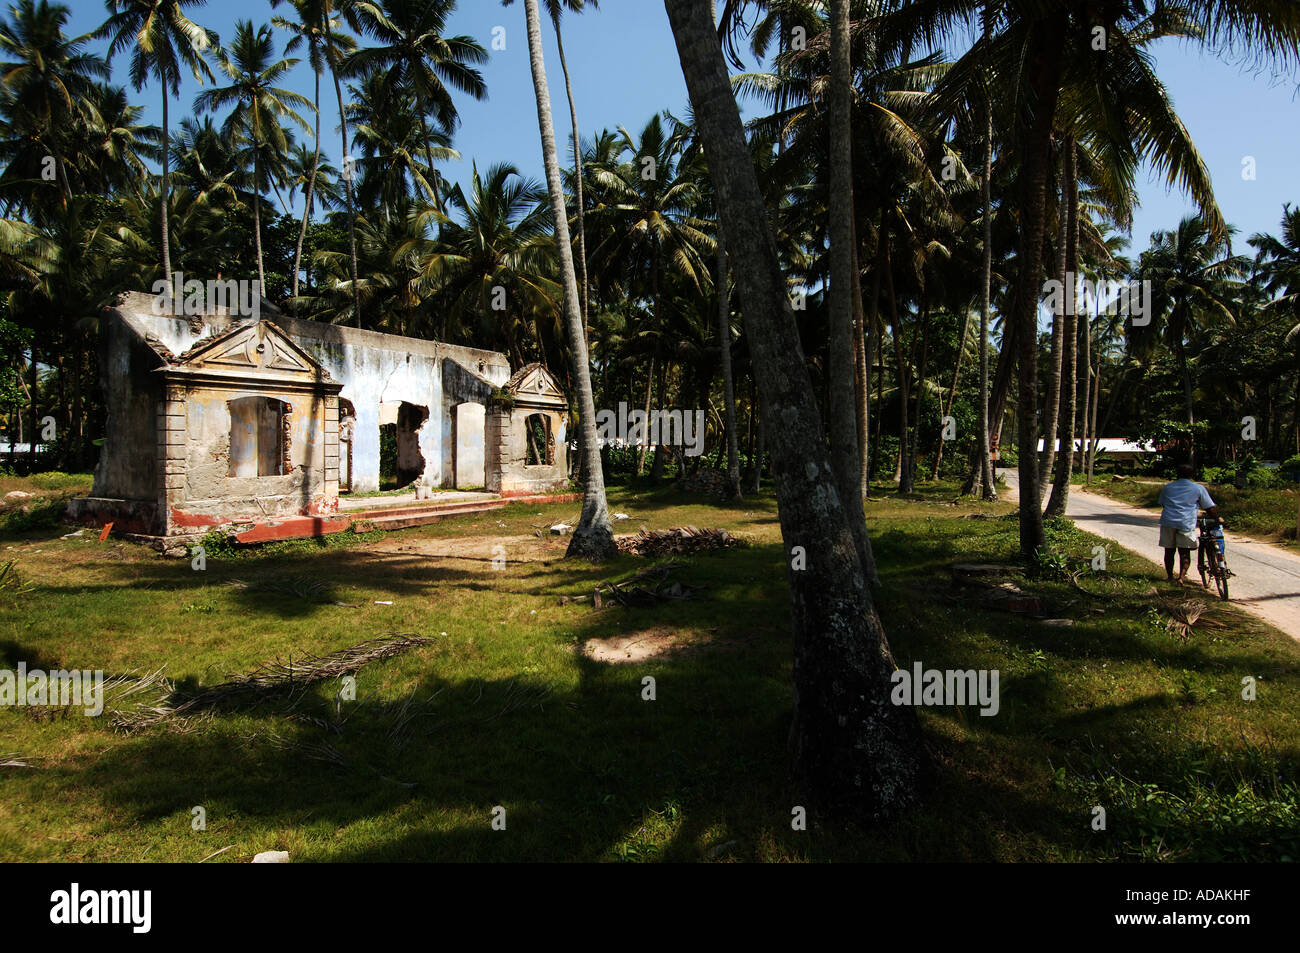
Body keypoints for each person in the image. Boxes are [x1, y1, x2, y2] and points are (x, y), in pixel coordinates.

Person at [1158, 463, 1222, 584]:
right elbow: (1209, 507)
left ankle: (1170, 576)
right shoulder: (1198, 488)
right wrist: (1217, 518)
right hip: (1186, 522)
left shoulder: (1168, 487)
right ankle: (1181, 577)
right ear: (1191, 475)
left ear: (1177, 474)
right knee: (1184, 551)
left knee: (1169, 551)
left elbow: (1163, 503)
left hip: (1168, 521)